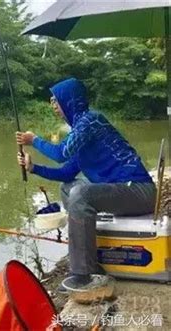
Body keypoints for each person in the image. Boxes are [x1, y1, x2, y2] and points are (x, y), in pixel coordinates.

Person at [16, 77, 156, 292]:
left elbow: (62, 154)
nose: (53, 105)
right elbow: (66, 172)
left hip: (138, 191)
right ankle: (90, 254)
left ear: (69, 100)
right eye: (51, 101)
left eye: (56, 100)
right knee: (69, 188)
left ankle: (82, 275)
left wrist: (34, 140)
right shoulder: (80, 133)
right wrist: (34, 168)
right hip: (123, 193)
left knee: (81, 193)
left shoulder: (90, 121)